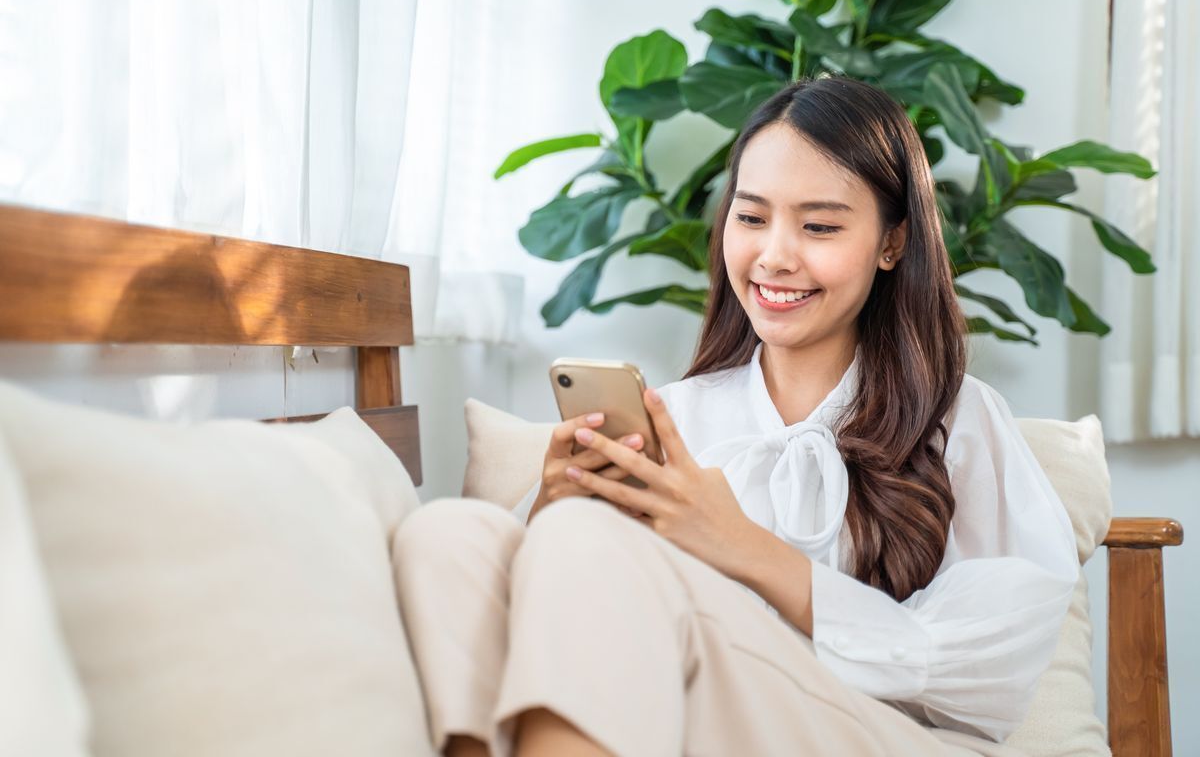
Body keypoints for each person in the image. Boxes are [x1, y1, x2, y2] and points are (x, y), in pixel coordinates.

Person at [392, 76, 1079, 757]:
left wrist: (745, 549)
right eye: (751, 218)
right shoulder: (678, 417)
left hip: (881, 735)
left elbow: (997, 669)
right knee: (447, 538)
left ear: (891, 243)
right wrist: (549, 503)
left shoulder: (955, 419)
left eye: (819, 226)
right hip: (703, 720)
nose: (775, 256)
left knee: (584, 540)